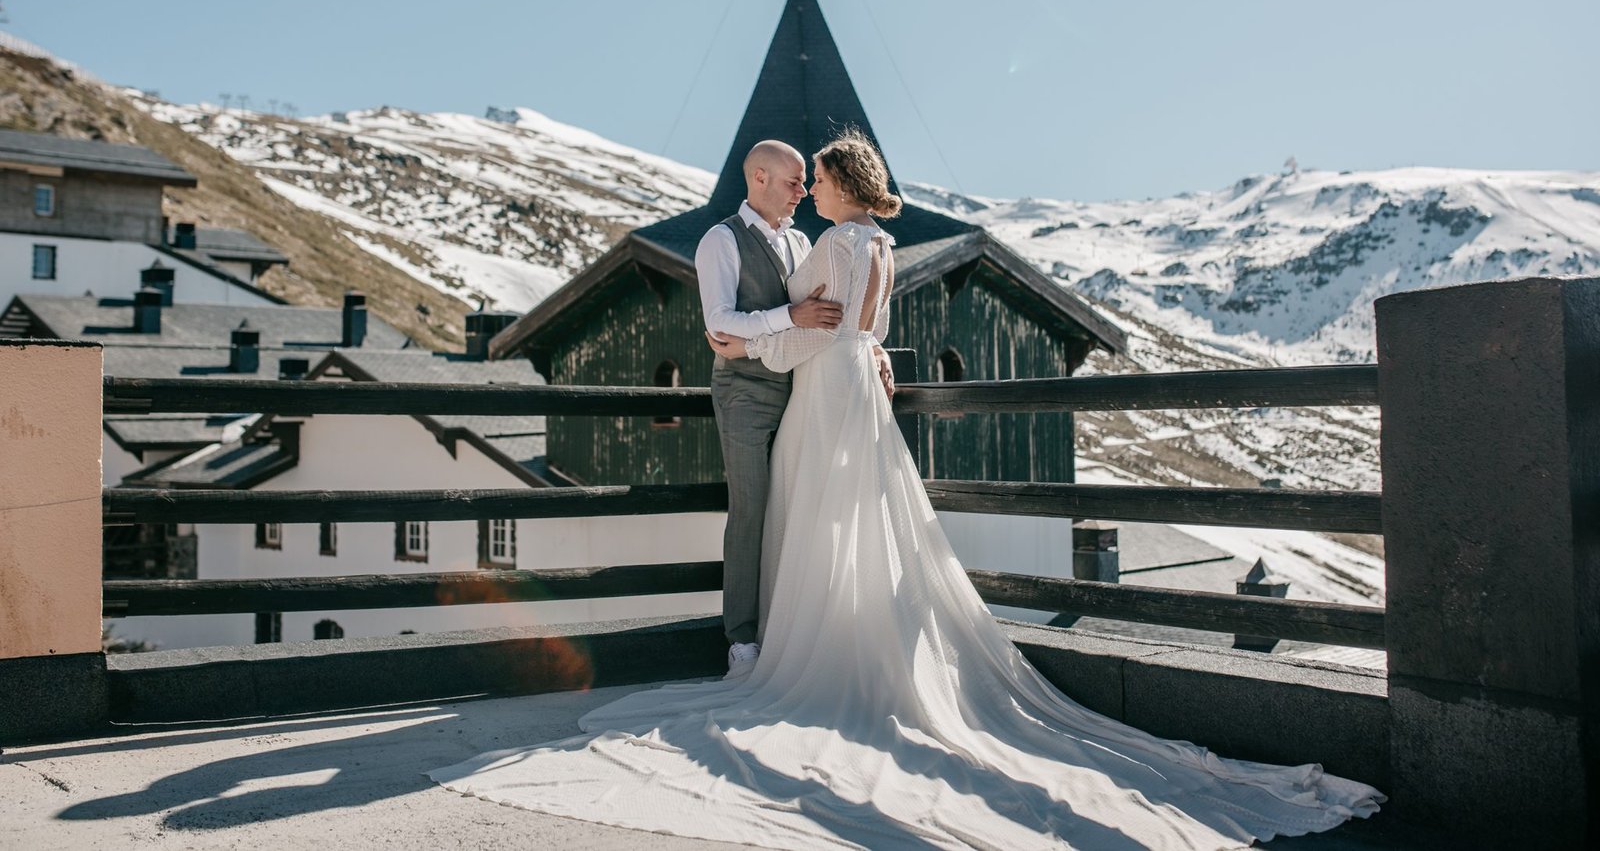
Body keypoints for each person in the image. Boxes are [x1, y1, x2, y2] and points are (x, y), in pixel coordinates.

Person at [430, 130, 1383, 849]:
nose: (806, 184)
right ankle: (798, 638)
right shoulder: (865, 246)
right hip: (845, 389)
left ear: (837, 187)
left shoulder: (830, 242)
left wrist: (751, 339)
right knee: (849, 517)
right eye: (794, 175)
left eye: (816, 176)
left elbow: (814, 328)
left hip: (817, 384)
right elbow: (841, 324)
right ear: (770, 181)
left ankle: (805, 648)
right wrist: (827, 345)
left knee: (814, 515)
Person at [691, 138, 847, 671]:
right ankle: (743, 639)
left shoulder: (802, 240)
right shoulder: (721, 240)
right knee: (752, 509)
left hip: (802, 388)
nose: (803, 191)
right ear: (758, 178)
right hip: (745, 395)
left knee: (799, 507)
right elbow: (720, 322)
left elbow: (829, 314)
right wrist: (790, 318)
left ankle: (793, 629)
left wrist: (872, 353)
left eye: (806, 181)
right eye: (793, 181)